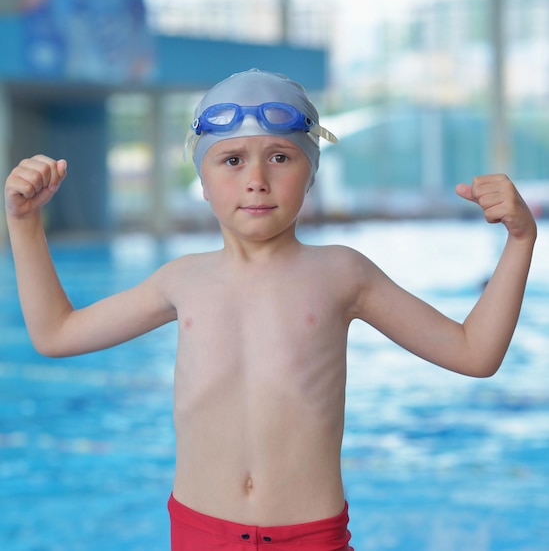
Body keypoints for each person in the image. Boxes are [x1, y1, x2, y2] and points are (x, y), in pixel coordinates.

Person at [4, 69, 537, 551]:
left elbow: (474, 353)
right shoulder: (182, 279)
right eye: (231, 160)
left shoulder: (343, 274)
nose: (256, 179)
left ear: (311, 174)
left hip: (310, 537)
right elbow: (57, 334)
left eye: (280, 157)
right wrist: (25, 224)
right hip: (198, 532)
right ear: (203, 181)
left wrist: (520, 238)